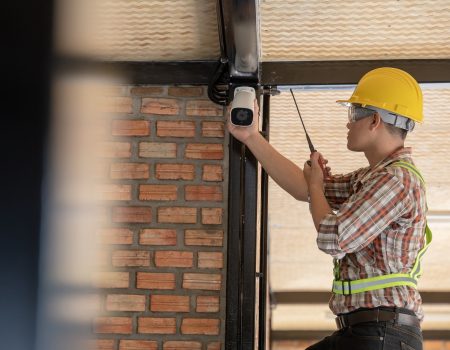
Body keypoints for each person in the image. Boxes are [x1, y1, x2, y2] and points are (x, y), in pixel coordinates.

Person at [227, 67, 431, 350]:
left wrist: (314, 186)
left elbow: (334, 239)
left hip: (382, 335)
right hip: (369, 332)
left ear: (374, 120)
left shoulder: (396, 180)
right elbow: (305, 188)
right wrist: (251, 137)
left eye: (353, 113)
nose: (348, 124)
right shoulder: (371, 178)